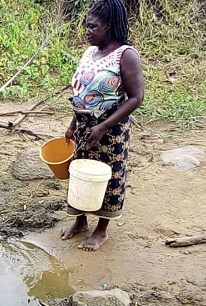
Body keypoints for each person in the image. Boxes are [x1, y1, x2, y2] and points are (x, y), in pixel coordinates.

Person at [61, 0, 144, 251]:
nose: (87, 31)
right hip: (86, 125)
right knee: (80, 173)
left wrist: (104, 127)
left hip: (112, 130)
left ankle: (101, 230)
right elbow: (82, 92)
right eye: (87, 26)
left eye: (92, 27)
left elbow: (136, 97)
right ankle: (80, 221)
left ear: (108, 27)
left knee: (109, 177)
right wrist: (73, 124)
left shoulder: (126, 55)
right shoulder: (90, 52)